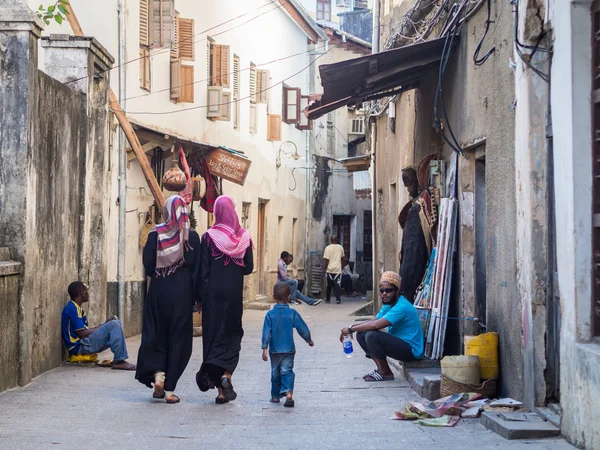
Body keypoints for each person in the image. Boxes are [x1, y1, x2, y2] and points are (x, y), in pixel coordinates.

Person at [135, 195, 199, 404]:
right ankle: (170, 389)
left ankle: (158, 376)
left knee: (156, 333)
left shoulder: (155, 234)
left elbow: (148, 264)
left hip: (159, 289)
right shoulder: (193, 237)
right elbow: (197, 270)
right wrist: (197, 298)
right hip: (182, 292)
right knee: (179, 338)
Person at [196, 195, 254, 404]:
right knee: (232, 335)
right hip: (233, 297)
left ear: (217, 212)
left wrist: (199, 298)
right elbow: (248, 267)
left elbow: (203, 271)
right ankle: (226, 375)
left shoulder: (209, 237)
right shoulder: (244, 237)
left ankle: (220, 391)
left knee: (213, 338)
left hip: (213, 297)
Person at [339, 272, 424, 382]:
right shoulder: (388, 305)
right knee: (362, 333)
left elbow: (376, 325)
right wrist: (352, 327)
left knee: (372, 335)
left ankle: (385, 372)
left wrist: (350, 329)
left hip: (411, 350)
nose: (384, 294)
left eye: (388, 290)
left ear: (397, 291)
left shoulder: (402, 306)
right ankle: (381, 369)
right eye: (382, 291)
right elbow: (373, 320)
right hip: (400, 343)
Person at [61, 281, 136, 371]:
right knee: (114, 325)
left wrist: (104, 325)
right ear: (82, 292)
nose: (88, 294)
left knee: (114, 323)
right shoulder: (72, 309)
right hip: (78, 347)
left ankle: (119, 358)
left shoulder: (76, 308)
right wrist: (104, 326)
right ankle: (119, 361)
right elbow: (82, 334)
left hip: (82, 343)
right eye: (86, 291)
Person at [261, 282, 314, 407]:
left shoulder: (269, 315)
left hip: (274, 350)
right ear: (289, 297)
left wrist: (264, 348)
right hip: (289, 349)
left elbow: (266, 333)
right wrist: (309, 340)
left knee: (275, 372)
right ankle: (289, 393)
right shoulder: (292, 313)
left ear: (274, 297)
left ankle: (275, 396)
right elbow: (302, 328)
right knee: (287, 370)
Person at [398, 155, 438, 303]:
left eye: (410, 185)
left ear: (418, 182)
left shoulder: (417, 207)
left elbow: (414, 247)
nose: (409, 190)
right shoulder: (415, 206)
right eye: (407, 186)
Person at [323, 236, 345, 304]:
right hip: (337, 269)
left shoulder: (327, 248)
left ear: (330, 240)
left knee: (329, 285)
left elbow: (326, 259)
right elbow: (342, 258)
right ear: (337, 239)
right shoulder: (340, 247)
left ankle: (327, 298)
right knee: (337, 285)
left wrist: (325, 268)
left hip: (330, 269)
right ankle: (338, 299)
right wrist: (342, 266)